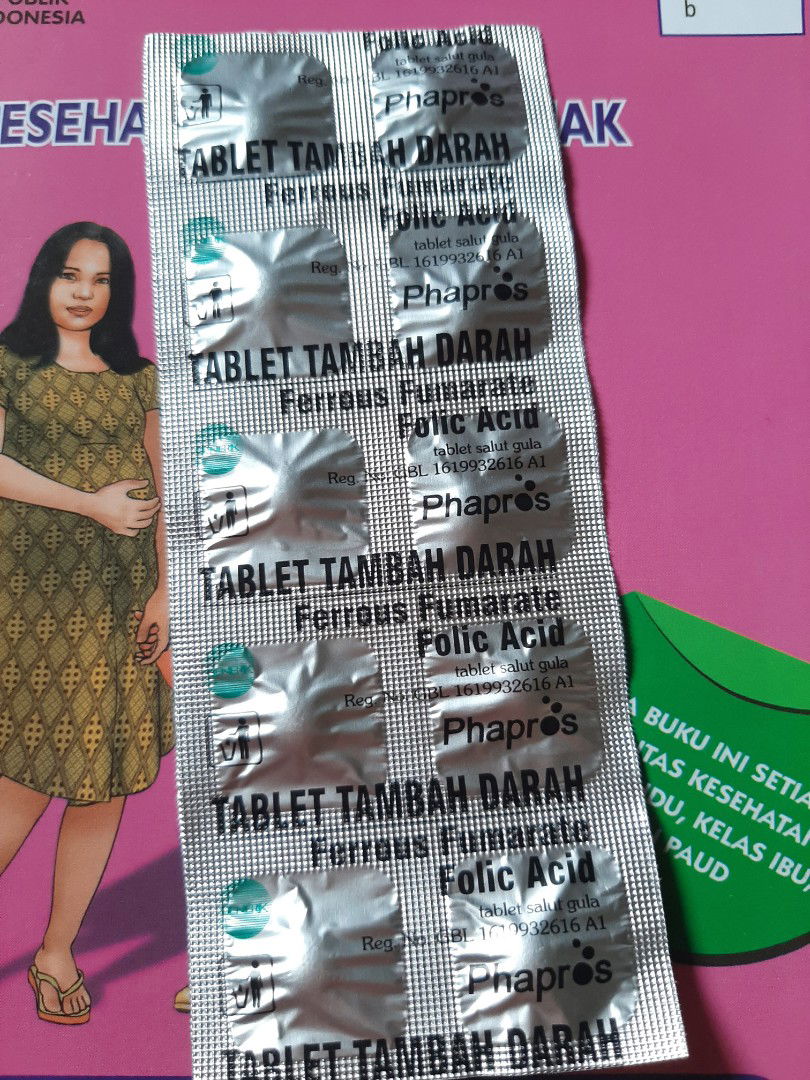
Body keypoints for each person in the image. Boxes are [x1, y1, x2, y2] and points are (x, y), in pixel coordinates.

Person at [0, 222, 172, 1025]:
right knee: (24, 779)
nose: (83, 292)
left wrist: (164, 591)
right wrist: (88, 505)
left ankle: (56, 952)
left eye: (100, 280)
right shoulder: (10, 366)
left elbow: (165, 484)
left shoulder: (138, 379)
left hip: (125, 601)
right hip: (37, 603)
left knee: (104, 781)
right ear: (44, 278)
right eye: (70, 274)